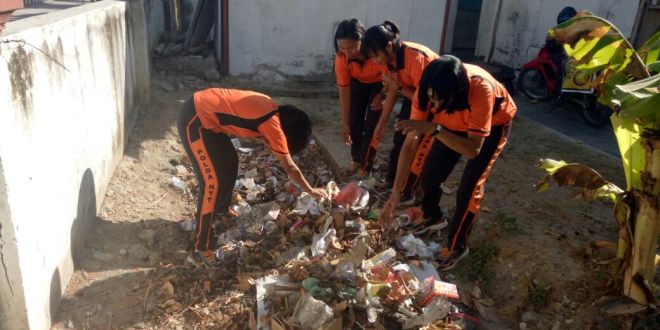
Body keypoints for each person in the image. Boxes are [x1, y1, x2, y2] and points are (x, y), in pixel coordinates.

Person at [379, 56, 517, 270]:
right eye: (429, 98)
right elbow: (410, 143)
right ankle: (432, 214)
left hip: (492, 125)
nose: (431, 104)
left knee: (468, 188)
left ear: (454, 93)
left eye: (436, 100)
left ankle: (457, 245)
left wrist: (436, 130)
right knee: (430, 173)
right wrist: (396, 193)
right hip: (448, 124)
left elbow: (472, 150)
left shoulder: (481, 90)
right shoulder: (426, 93)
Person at [177, 88, 327, 267]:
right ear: (286, 135)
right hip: (194, 120)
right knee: (212, 183)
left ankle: (220, 213)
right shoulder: (273, 125)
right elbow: (290, 167)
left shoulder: (270, 108)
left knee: (229, 163)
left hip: (207, 120)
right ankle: (201, 247)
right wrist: (310, 190)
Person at [361, 20, 439, 203]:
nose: (375, 61)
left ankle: (406, 190)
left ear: (388, 46)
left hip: (432, 101)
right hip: (411, 94)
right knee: (399, 139)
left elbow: (424, 101)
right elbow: (391, 91)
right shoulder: (386, 60)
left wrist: (397, 89)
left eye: (376, 56)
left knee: (415, 144)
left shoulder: (416, 59)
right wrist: (380, 124)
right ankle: (392, 182)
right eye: (371, 58)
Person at [334, 19, 387, 177]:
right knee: (354, 121)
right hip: (358, 82)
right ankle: (356, 159)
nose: (347, 52)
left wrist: (383, 94)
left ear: (362, 40)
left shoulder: (376, 52)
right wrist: (345, 123)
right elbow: (344, 91)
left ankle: (366, 164)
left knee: (372, 121)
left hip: (381, 84)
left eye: (351, 47)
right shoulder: (341, 58)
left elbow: (392, 78)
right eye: (342, 48)